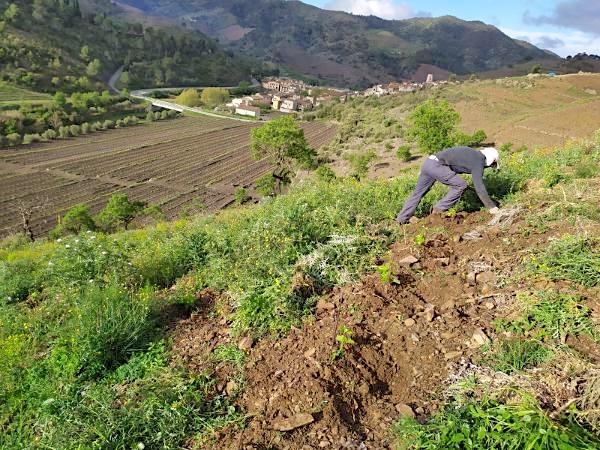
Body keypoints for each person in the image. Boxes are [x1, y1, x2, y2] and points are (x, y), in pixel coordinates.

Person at [396, 146, 500, 224]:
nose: (490, 167)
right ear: (491, 160)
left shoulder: (473, 153)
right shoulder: (479, 161)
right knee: (461, 185)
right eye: (493, 165)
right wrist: (491, 207)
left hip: (428, 163)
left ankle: (402, 218)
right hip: (437, 166)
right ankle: (438, 210)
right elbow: (479, 187)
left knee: (417, 193)